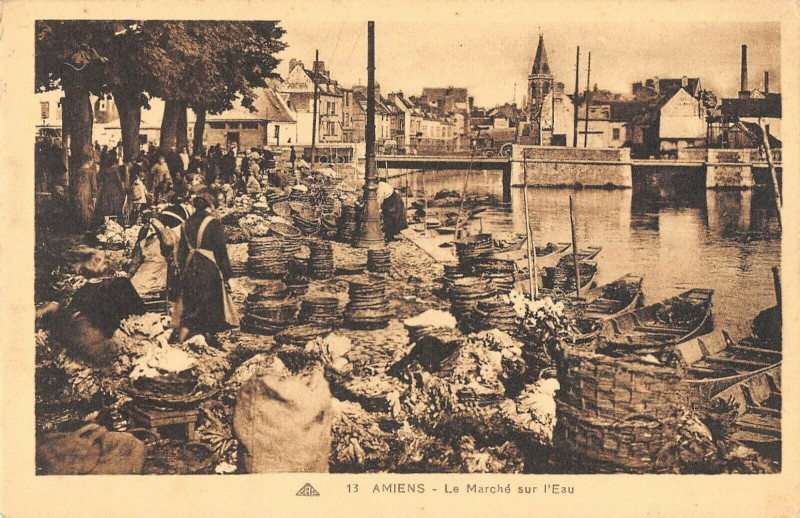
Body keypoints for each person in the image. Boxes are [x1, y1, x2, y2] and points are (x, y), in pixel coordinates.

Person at [172, 191, 238, 343]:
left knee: (190, 309)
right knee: (211, 308)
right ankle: (209, 339)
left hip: (190, 268)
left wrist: (183, 272)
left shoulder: (185, 224)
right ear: (210, 206)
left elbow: (181, 252)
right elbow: (221, 252)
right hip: (208, 270)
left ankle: (180, 342)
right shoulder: (213, 223)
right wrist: (228, 276)